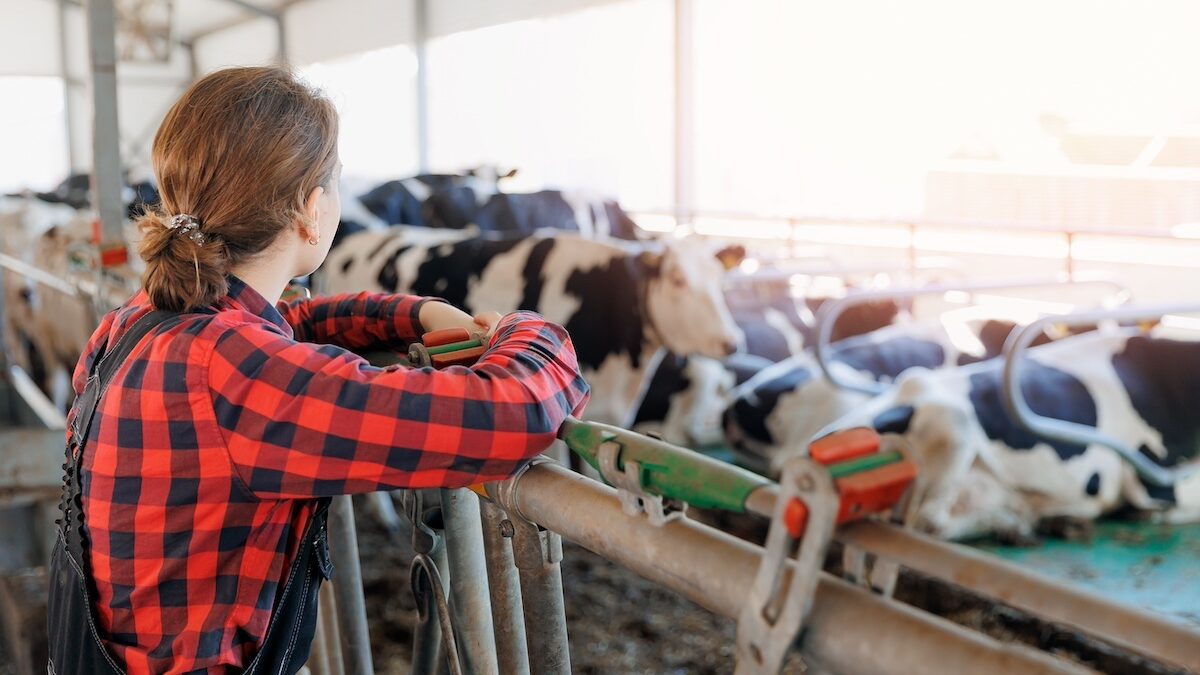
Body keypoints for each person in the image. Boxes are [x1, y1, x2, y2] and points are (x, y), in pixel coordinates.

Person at [47, 65, 589, 675]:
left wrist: (414, 315)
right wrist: (526, 331)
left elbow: (284, 325)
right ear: (311, 210)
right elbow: (516, 412)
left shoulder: (135, 323)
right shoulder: (240, 375)